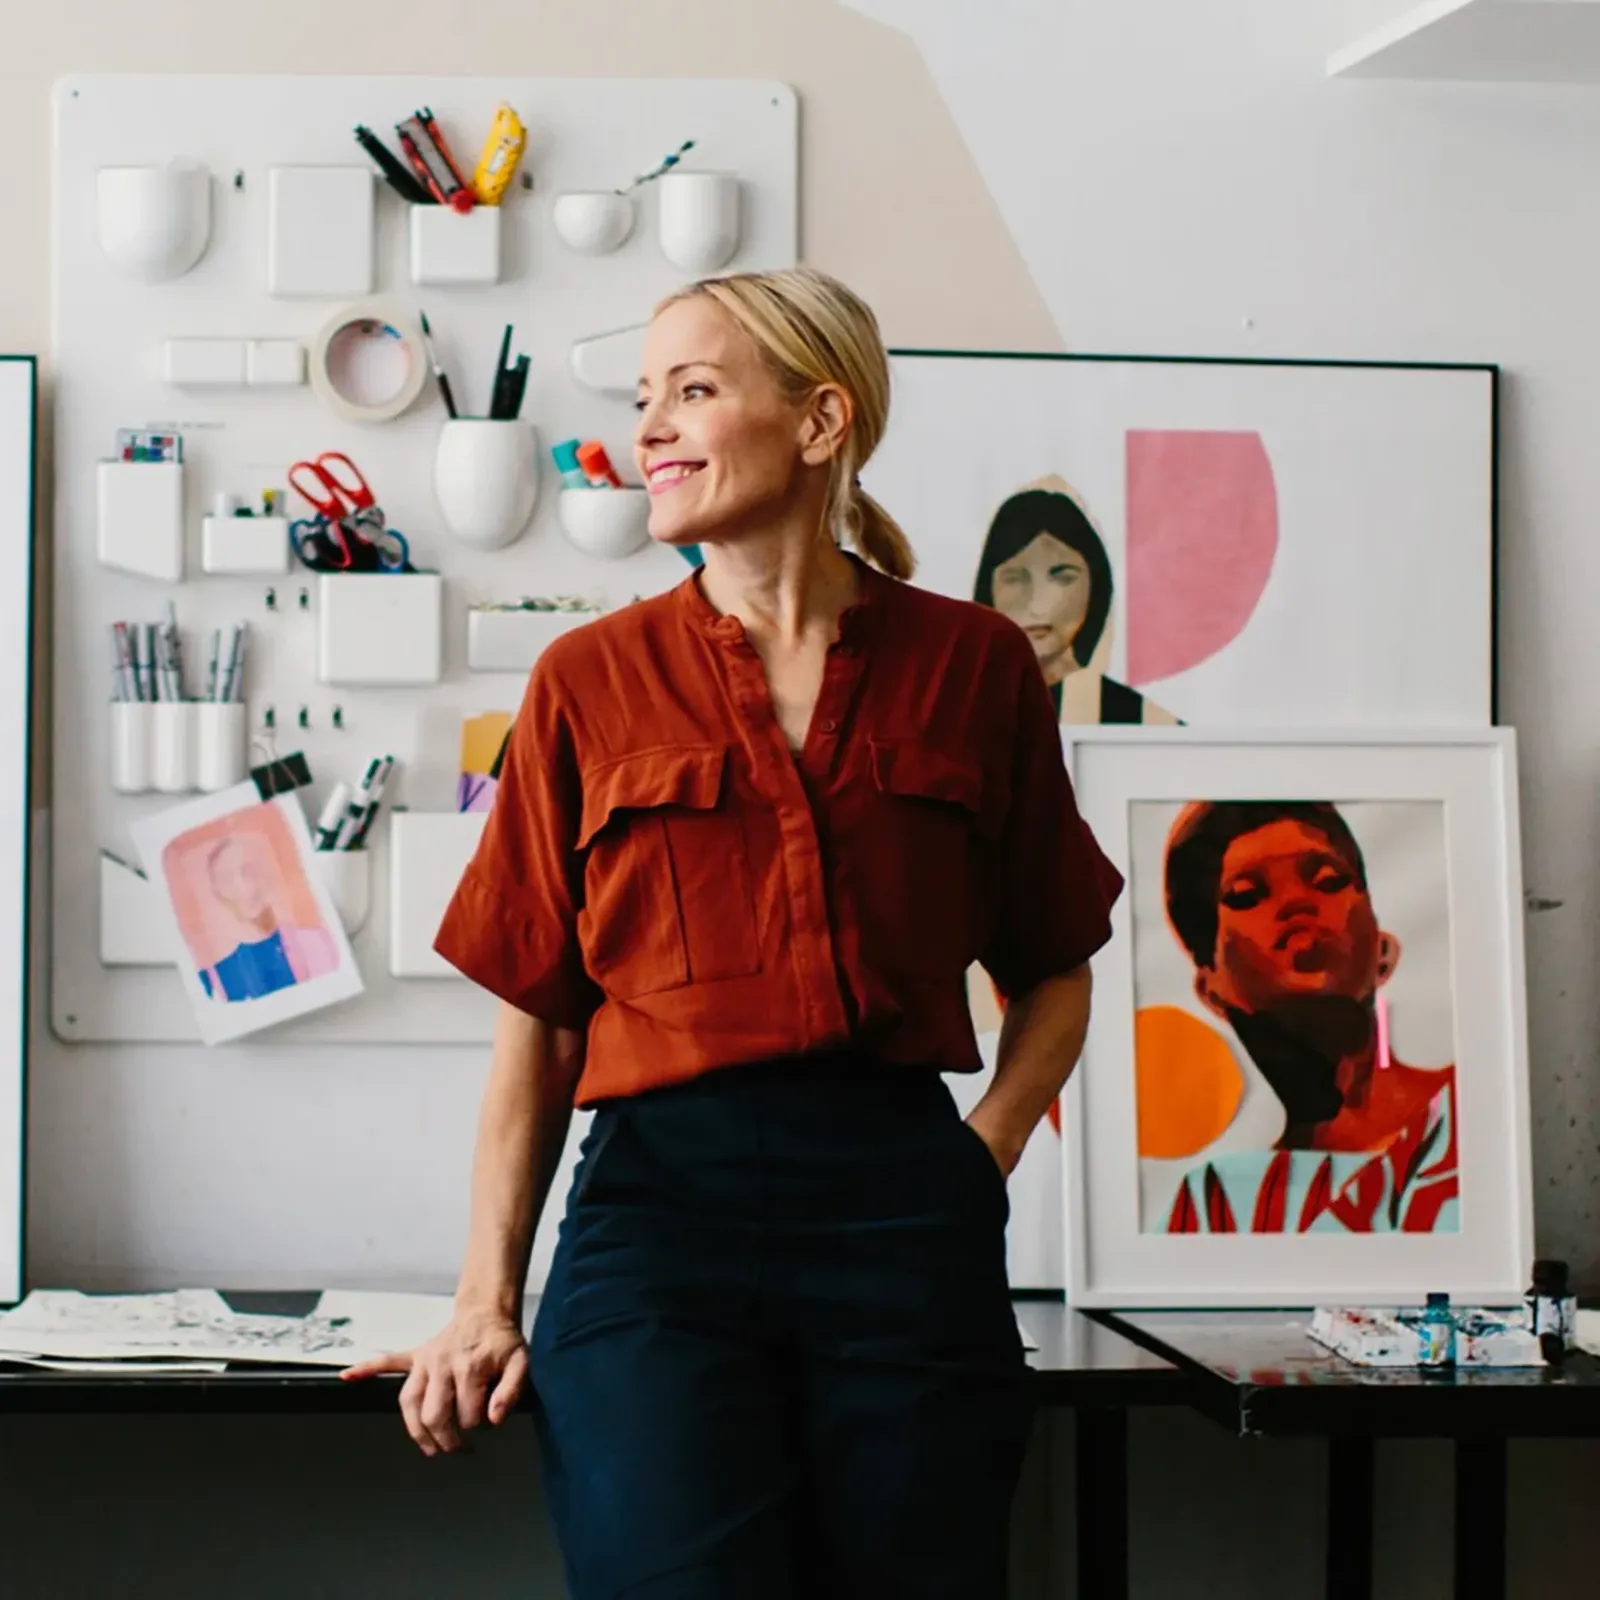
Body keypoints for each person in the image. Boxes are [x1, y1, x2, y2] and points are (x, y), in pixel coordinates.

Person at [342, 266, 1122, 1598]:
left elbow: (1055, 970)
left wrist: (972, 1167)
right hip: (660, 1225)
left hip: (901, 1217)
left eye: (693, 391)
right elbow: (536, 1024)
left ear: (822, 422)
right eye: (645, 397)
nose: (648, 428)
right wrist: (484, 1301)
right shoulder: (588, 680)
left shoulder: (979, 665)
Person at [1157, 801, 1458, 1234]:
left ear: (1383, 950)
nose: (1297, 902)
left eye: (1328, 881)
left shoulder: (1477, 1116)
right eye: (1247, 895)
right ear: (1212, 991)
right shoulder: (1214, 1206)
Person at [973, 478, 1177, 726]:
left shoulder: (1144, 721)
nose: (1038, 605)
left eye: (1062, 577)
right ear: (988, 588)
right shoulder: (957, 709)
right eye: (1015, 578)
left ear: (1095, 588)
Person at [194, 832, 338, 1003]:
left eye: (249, 870)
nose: (244, 885)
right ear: (218, 892)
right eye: (227, 878)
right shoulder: (214, 979)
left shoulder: (317, 941)